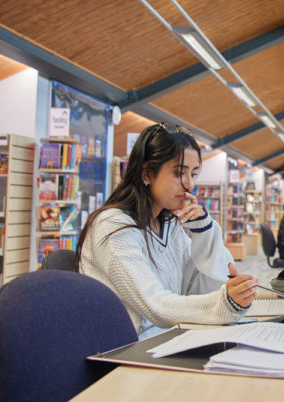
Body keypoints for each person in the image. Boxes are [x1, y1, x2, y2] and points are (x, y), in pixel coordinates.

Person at [78, 122, 258, 338]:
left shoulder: (170, 225)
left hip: (170, 338)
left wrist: (205, 231)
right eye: (179, 173)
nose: (189, 185)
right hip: (128, 351)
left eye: (194, 174)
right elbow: (156, 305)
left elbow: (202, 289)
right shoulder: (113, 227)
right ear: (147, 173)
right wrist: (225, 304)